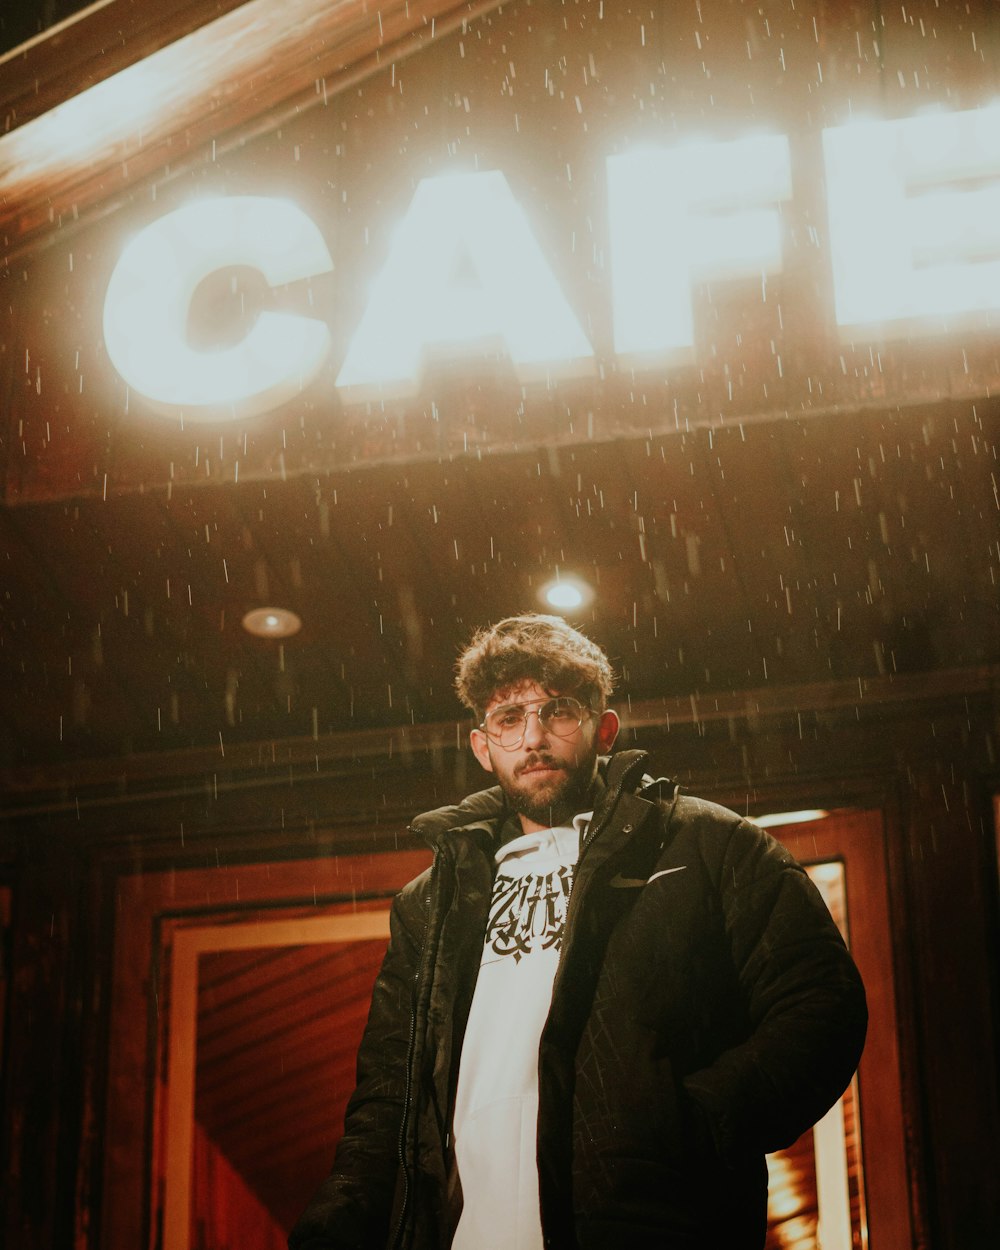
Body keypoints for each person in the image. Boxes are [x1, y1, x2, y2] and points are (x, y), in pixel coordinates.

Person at [290, 614, 867, 1250]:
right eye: (509, 718)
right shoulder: (433, 903)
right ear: (483, 746)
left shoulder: (706, 845)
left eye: (557, 711)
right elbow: (388, 1095)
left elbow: (821, 1005)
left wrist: (689, 1127)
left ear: (603, 729)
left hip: (643, 1229)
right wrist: (339, 1223)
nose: (533, 736)